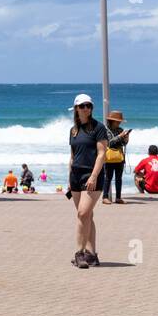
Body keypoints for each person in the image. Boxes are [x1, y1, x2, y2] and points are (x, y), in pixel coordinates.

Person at [67, 93, 108, 268]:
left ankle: (79, 254)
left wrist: (93, 176)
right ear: (76, 108)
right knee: (87, 217)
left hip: (92, 176)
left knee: (82, 214)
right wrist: (69, 177)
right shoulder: (73, 130)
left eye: (89, 105)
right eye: (82, 106)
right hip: (75, 176)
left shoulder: (98, 128)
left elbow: (102, 154)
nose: (86, 109)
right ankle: (92, 254)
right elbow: (72, 155)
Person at [102, 110, 131, 205]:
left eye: (119, 122)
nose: (119, 123)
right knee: (108, 177)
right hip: (109, 156)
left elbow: (123, 144)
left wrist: (126, 139)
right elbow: (110, 143)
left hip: (119, 156)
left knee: (119, 178)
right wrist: (120, 136)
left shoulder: (120, 130)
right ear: (112, 121)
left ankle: (118, 197)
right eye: (117, 121)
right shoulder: (106, 130)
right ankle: (105, 197)